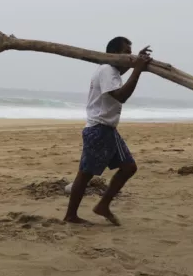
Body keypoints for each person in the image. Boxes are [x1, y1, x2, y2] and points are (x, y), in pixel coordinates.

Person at [63, 37, 152, 226]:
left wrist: (137, 64)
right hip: (98, 129)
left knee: (129, 167)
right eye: (126, 53)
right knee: (85, 174)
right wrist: (137, 69)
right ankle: (71, 216)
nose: (129, 56)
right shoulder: (106, 70)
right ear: (114, 54)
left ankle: (103, 205)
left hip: (108, 129)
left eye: (131, 53)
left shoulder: (112, 71)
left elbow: (119, 75)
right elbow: (121, 96)